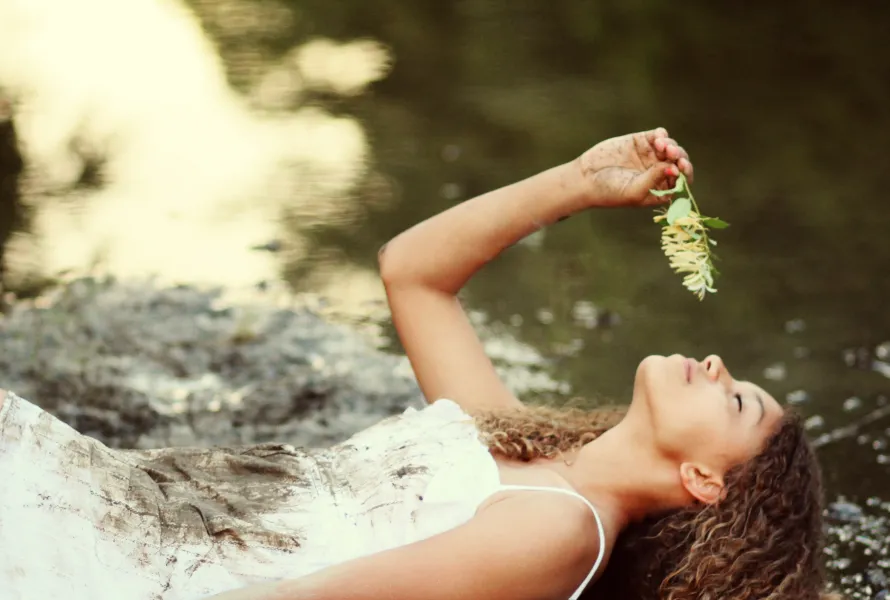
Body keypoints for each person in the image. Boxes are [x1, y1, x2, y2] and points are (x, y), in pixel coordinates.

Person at [0, 128, 827, 600]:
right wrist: (577, 182)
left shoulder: (558, 531)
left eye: (739, 402)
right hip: (126, 508)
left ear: (704, 483)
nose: (717, 364)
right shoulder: (528, 452)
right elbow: (414, 274)